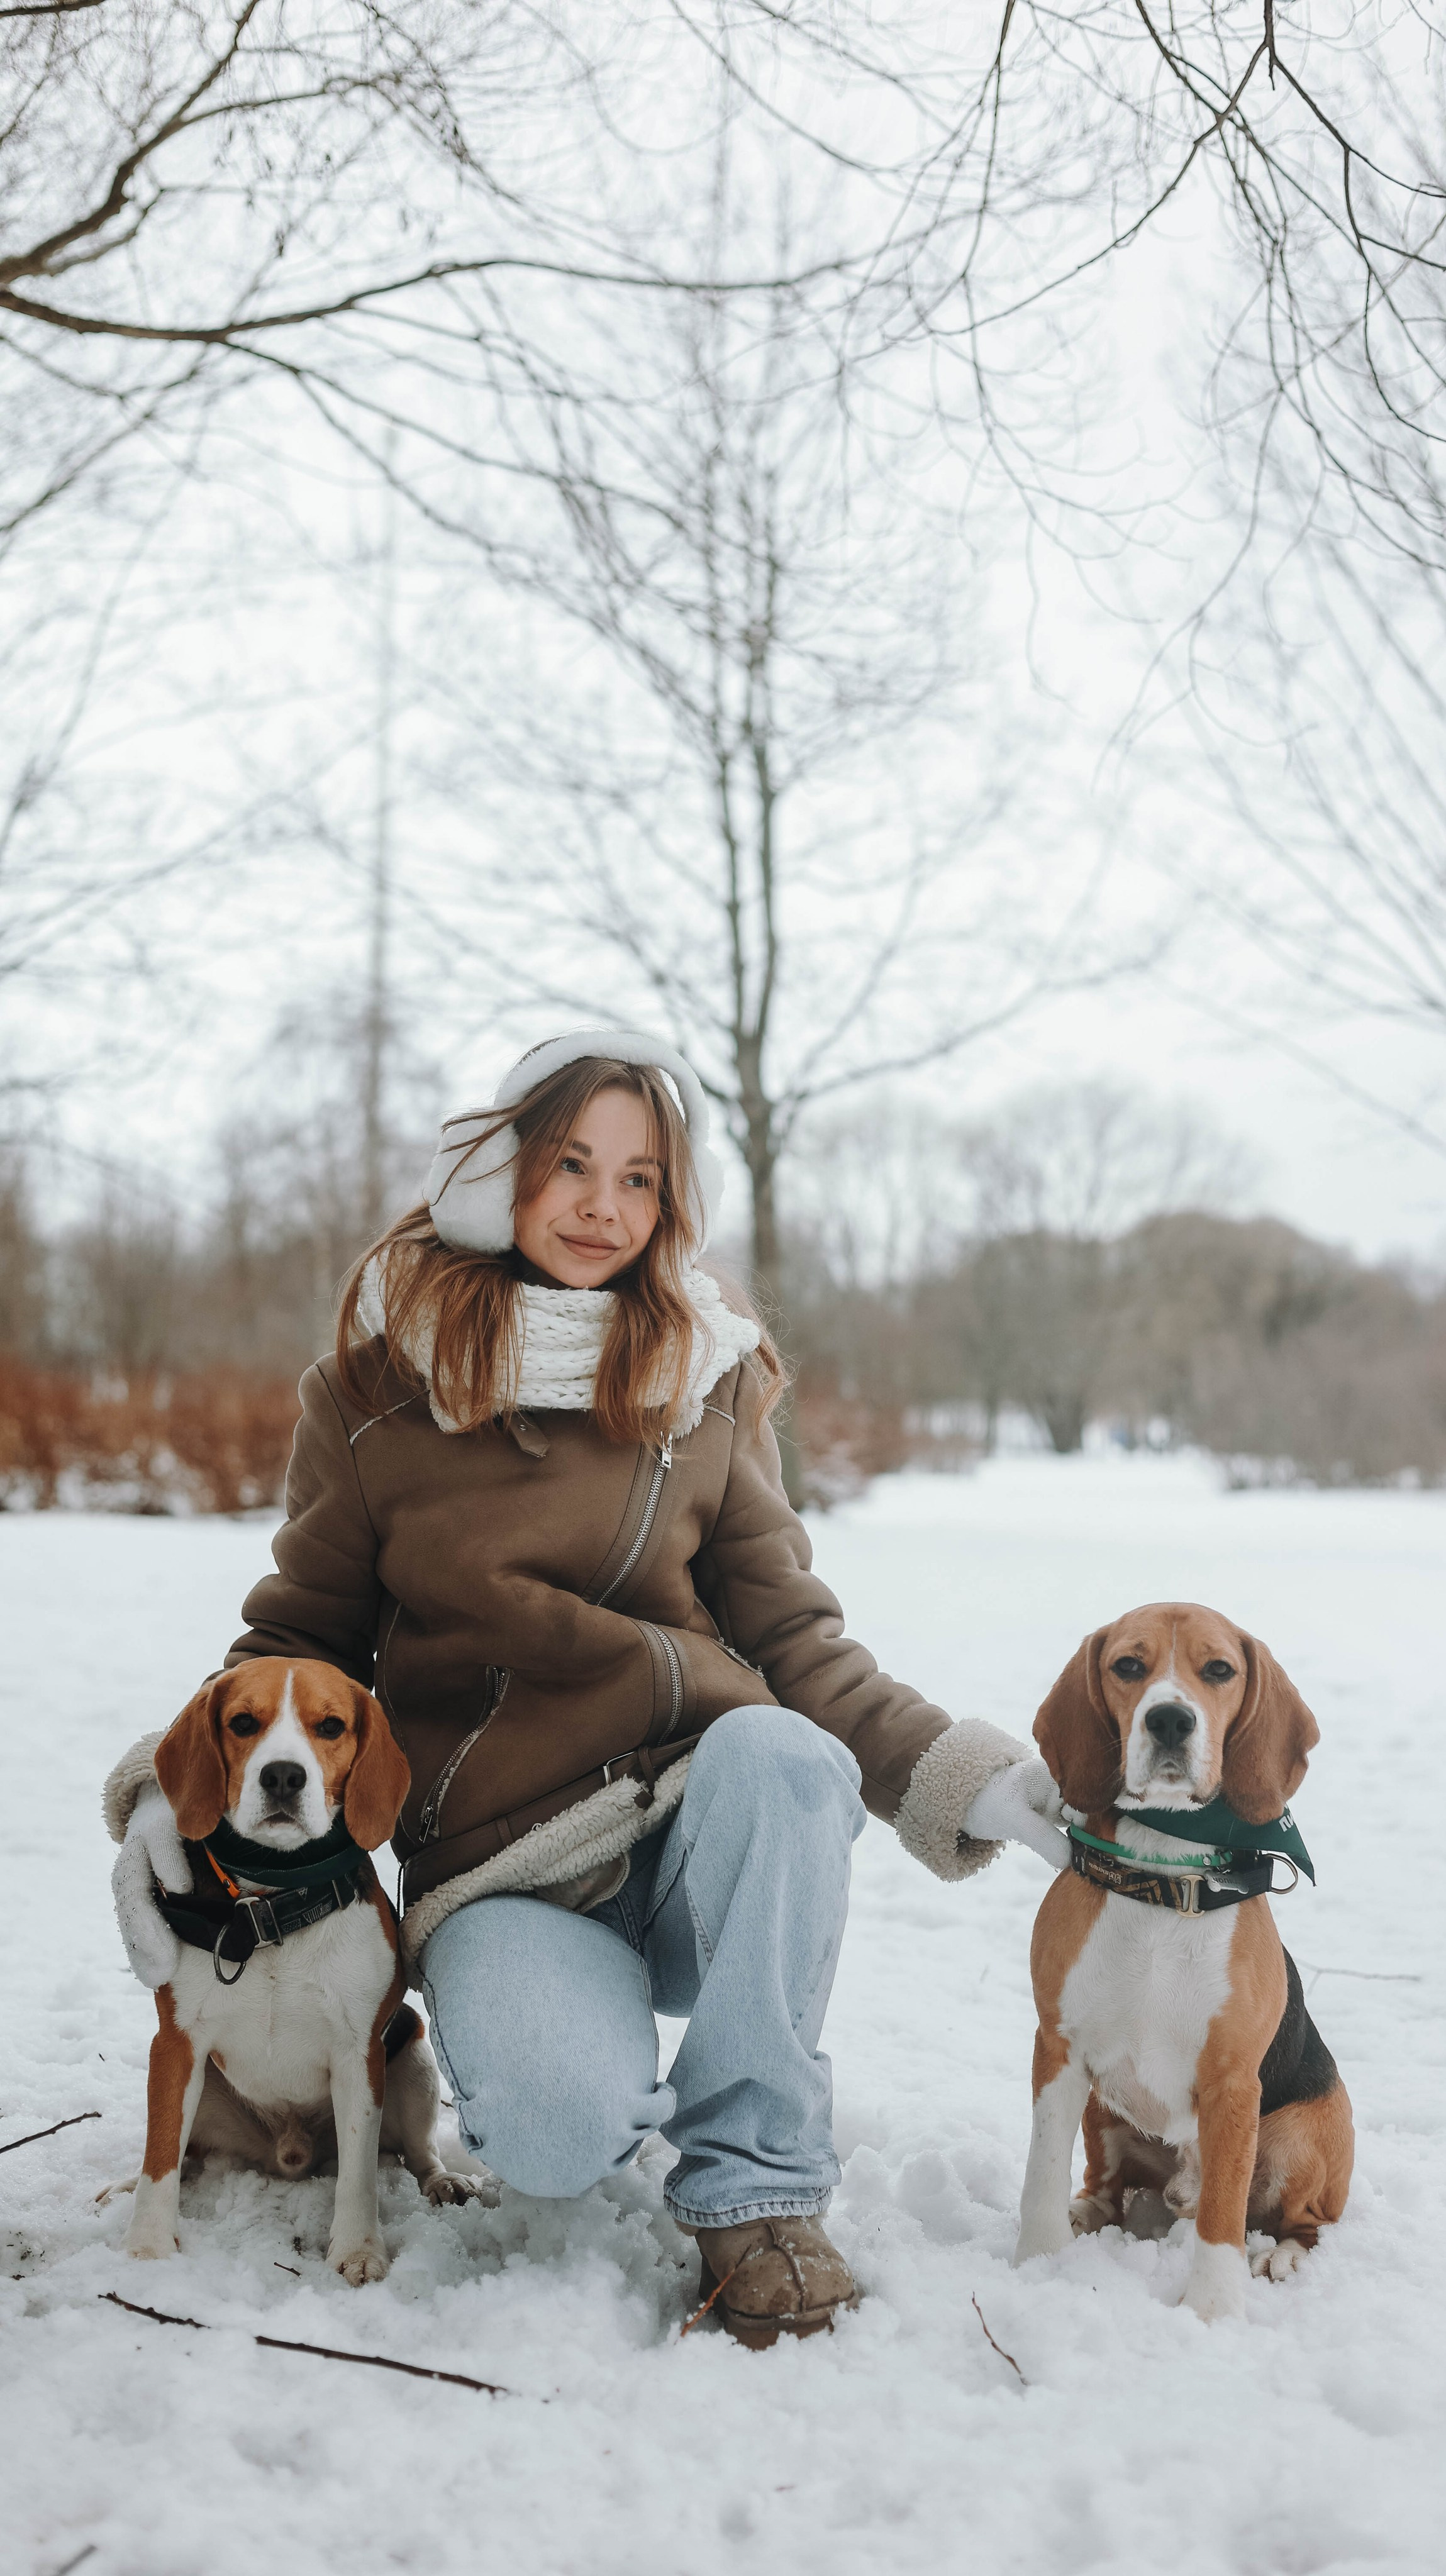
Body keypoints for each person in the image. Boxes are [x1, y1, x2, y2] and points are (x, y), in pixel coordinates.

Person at [125, 1029, 1065, 2345]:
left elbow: (791, 1632)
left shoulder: (703, 1372)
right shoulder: (374, 1391)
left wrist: (964, 1776)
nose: (601, 1207)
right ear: (494, 1170)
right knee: (559, 2138)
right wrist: (178, 1783)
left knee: (789, 1755)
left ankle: (757, 2199)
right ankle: (574, 2041)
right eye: (570, 1164)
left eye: (639, 1180)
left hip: (696, 1814)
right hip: (503, 1860)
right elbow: (305, 1632)